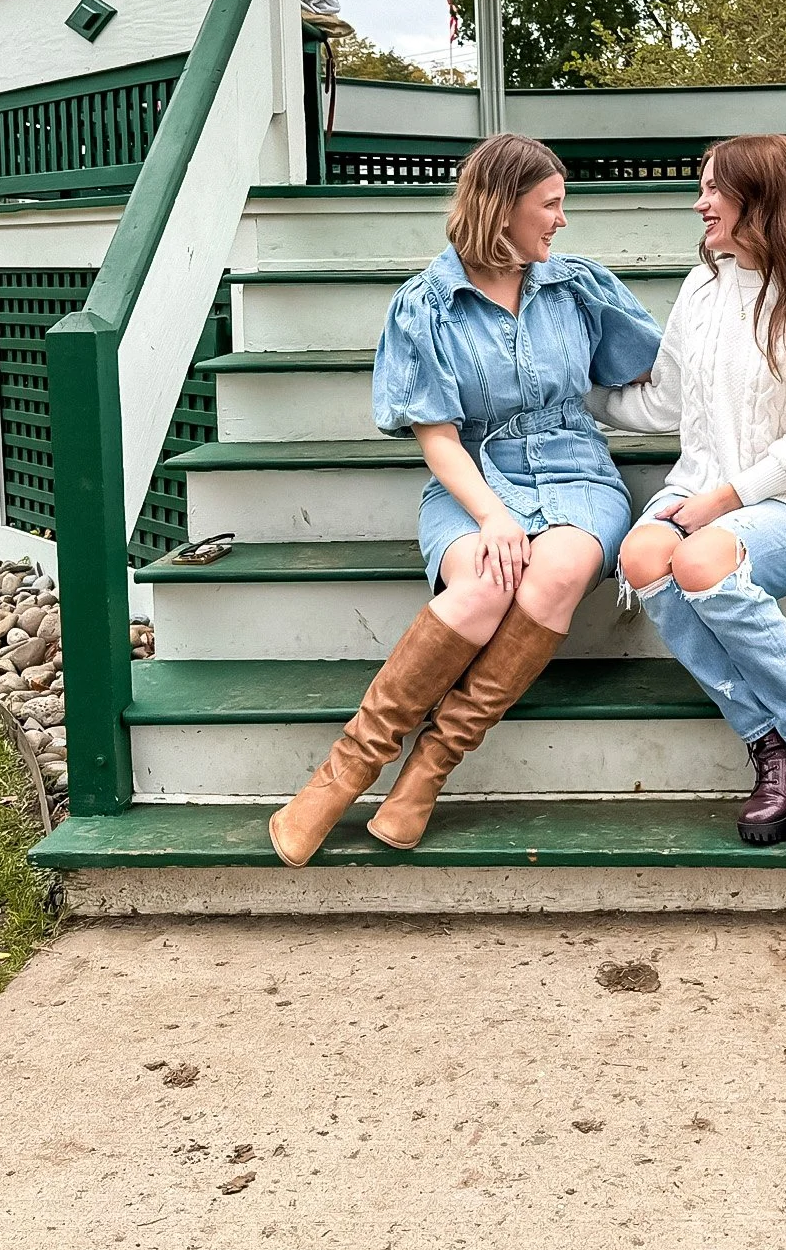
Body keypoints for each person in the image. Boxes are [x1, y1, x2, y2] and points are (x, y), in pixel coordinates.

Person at [268, 134, 662, 864]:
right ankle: (343, 775)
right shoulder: (426, 306)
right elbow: (439, 438)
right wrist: (493, 514)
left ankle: (426, 773)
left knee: (559, 568)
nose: (561, 221)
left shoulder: (576, 286)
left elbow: (657, 372)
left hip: (578, 470)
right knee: (484, 584)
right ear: (501, 208)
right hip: (474, 474)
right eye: (549, 205)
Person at [595, 133, 786, 846]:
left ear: (761, 197)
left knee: (699, 561)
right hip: (700, 489)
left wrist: (724, 501)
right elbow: (664, 403)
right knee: (641, 559)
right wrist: (569, 398)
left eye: (714, 189)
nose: (701, 204)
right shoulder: (705, 284)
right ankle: (772, 747)